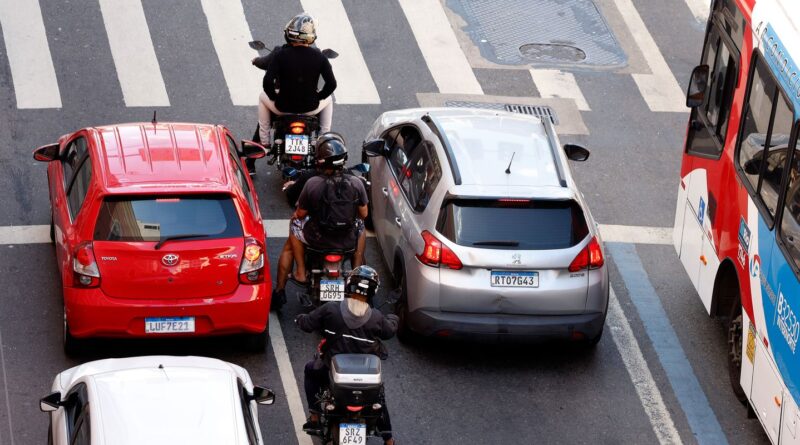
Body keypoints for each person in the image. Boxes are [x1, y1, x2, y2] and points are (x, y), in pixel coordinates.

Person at [295, 266, 398, 444]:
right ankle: (389, 439)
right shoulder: (376, 317)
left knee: (310, 371)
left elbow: (307, 324)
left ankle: (313, 416)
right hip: (366, 379)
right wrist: (393, 319)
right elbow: (389, 332)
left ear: (349, 285)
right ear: (373, 292)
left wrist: (300, 319)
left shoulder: (330, 309)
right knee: (378, 398)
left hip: (330, 370)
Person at [272, 134, 368, 307]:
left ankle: (296, 275)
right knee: (361, 226)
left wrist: (297, 215)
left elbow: (300, 214)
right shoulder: (356, 182)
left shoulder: (312, 183)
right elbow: (364, 214)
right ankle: (356, 272)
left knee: (294, 225)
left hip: (316, 239)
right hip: (347, 241)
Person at [253, 12, 336, 145]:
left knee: (263, 97)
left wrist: (274, 97)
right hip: (311, 107)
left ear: (288, 34)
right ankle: (322, 140)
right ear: (311, 37)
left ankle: (264, 142)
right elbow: (331, 84)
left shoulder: (279, 55)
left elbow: (267, 81)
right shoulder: (320, 56)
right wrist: (318, 97)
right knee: (329, 99)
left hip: (282, 106)